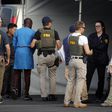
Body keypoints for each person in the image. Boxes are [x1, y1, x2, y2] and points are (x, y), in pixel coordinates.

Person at [31, 16, 61, 101]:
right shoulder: (54, 32)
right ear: (49, 23)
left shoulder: (38, 32)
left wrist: (38, 43)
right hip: (51, 57)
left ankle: (44, 96)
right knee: (52, 76)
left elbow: (32, 45)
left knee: (42, 76)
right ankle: (53, 94)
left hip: (42, 57)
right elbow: (59, 46)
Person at [64, 21, 93, 108]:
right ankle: (77, 102)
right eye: (84, 28)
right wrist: (92, 52)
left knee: (70, 81)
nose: (84, 29)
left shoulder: (70, 37)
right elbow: (87, 52)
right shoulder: (83, 37)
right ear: (80, 28)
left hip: (71, 60)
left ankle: (66, 101)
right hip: (80, 61)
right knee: (80, 81)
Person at [12, 18, 35, 101]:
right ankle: (26, 94)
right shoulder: (33, 32)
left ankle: (15, 90)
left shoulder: (17, 31)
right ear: (30, 24)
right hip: (27, 51)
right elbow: (34, 45)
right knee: (27, 74)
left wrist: (17, 51)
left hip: (18, 51)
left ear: (24, 24)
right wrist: (30, 52)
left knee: (16, 73)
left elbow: (13, 44)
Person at [86, 20, 109, 101]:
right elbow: (88, 46)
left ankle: (99, 95)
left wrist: (94, 46)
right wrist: (98, 44)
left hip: (101, 60)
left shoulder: (106, 36)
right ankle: (84, 95)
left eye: (98, 26)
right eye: (96, 26)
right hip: (92, 60)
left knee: (101, 79)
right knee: (88, 77)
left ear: (102, 27)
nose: (97, 28)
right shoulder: (91, 36)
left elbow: (103, 47)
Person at [2, 23, 17, 98]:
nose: (15, 31)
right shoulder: (4, 36)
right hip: (6, 59)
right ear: (9, 29)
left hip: (14, 59)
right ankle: (4, 93)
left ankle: (11, 92)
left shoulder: (14, 37)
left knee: (12, 77)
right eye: (14, 30)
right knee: (5, 77)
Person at [0, 17, 10, 103]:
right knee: (0, 79)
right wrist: (8, 58)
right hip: (1, 58)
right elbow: (7, 47)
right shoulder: (3, 34)